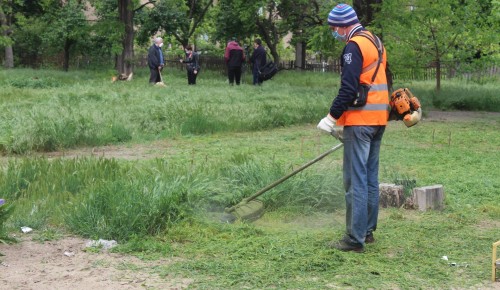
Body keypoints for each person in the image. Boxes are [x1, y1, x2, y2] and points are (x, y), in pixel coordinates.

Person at [317, 3, 390, 253]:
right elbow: (383, 80)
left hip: (360, 122)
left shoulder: (353, 46)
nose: (334, 32)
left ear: (343, 25)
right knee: (370, 178)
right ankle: (367, 231)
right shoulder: (375, 41)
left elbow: (348, 89)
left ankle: (354, 239)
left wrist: (330, 118)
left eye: (334, 28)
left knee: (355, 180)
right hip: (379, 120)